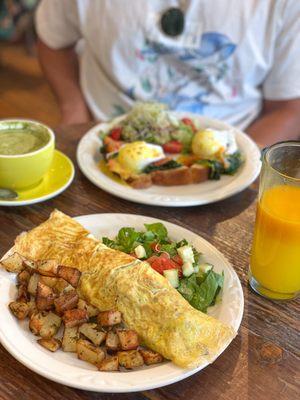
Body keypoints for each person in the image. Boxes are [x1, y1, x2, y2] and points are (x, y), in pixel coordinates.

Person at [36, 0, 300, 146]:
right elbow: (53, 40)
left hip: (233, 142)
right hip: (99, 139)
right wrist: (74, 114)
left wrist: (238, 164)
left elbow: (289, 108)